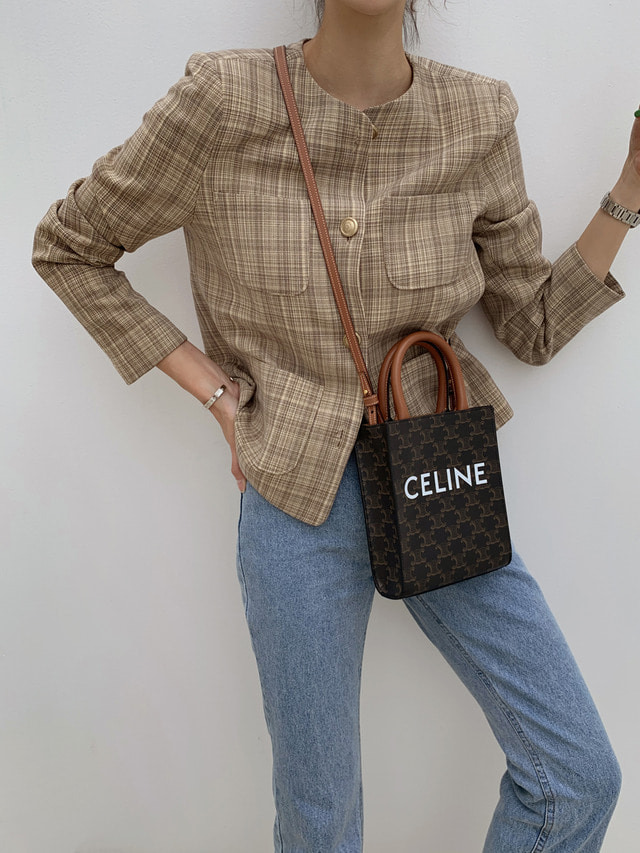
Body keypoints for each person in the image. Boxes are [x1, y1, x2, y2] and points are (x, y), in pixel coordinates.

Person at [32, 1, 639, 850]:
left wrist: (630, 190)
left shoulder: (478, 115)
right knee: (321, 825)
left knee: (575, 776)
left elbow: (531, 324)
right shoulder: (225, 101)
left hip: (439, 478)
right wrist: (215, 393)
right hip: (293, 496)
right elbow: (69, 245)